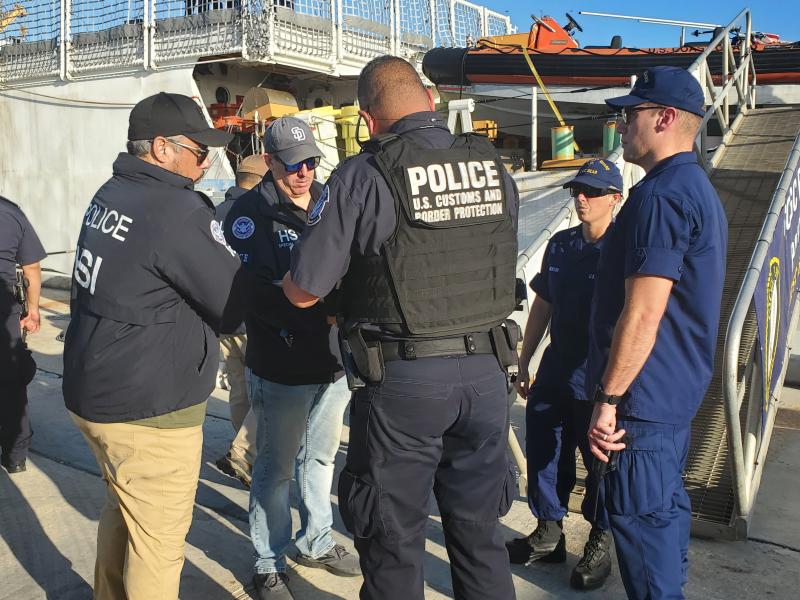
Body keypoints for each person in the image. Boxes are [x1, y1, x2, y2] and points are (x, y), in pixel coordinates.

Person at [283, 55, 520, 600]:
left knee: (393, 540)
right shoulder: (492, 165)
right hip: (488, 374)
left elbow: (305, 287)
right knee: (481, 537)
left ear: (368, 119)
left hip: (406, 381)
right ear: (432, 101)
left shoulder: (363, 174)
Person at [62, 92, 240, 600]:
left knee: (123, 513)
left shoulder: (112, 192)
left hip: (95, 391)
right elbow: (232, 306)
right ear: (162, 148)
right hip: (151, 410)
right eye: (199, 150)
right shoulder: (177, 208)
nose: (208, 162)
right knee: (158, 546)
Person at [586, 66, 728, 600]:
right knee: (663, 518)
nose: (621, 125)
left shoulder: (661, 197)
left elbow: (644, 313)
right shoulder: (695, 187)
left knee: (641, 529)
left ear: (665, 118)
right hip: (671, 397)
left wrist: (608, 398)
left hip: (641, 406)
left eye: (631, 114)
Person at [223, 116, 359, 600]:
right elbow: (251, 293)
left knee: (320, 459)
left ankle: (316, 538)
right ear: (270, 161)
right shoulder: (247, 215)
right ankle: (268, 560)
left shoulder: (331, 201)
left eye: (311, 162)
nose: (304, 173)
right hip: (281, 363)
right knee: (275, 470)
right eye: (293, 164)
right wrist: (318, 310)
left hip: (332, 362)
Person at [506, 159, 623, 590]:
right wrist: (525, 359)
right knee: (545, 452)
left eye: (591, 192)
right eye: (577, 190)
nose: (581, 198)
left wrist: (614, 390)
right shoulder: (561, 245)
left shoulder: (623, 251)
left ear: (616, 197)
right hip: (555, 371)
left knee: (600, 465)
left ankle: (599, 540)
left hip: (598, 380)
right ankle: (549, 531)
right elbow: (544, 304)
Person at [215, 153, 269, 488]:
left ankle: (242, 452)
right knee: (266, 393)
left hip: (223, 320)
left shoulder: (213, 215)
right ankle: (244, 451)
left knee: (238, 389)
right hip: (255, 320)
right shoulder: (259, 212)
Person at [0, 197, 46, 474]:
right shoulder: (10, 212)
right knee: (11, 379)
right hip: (4, 310)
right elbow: (31, 268)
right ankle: (16, 455)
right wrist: (34, 310)